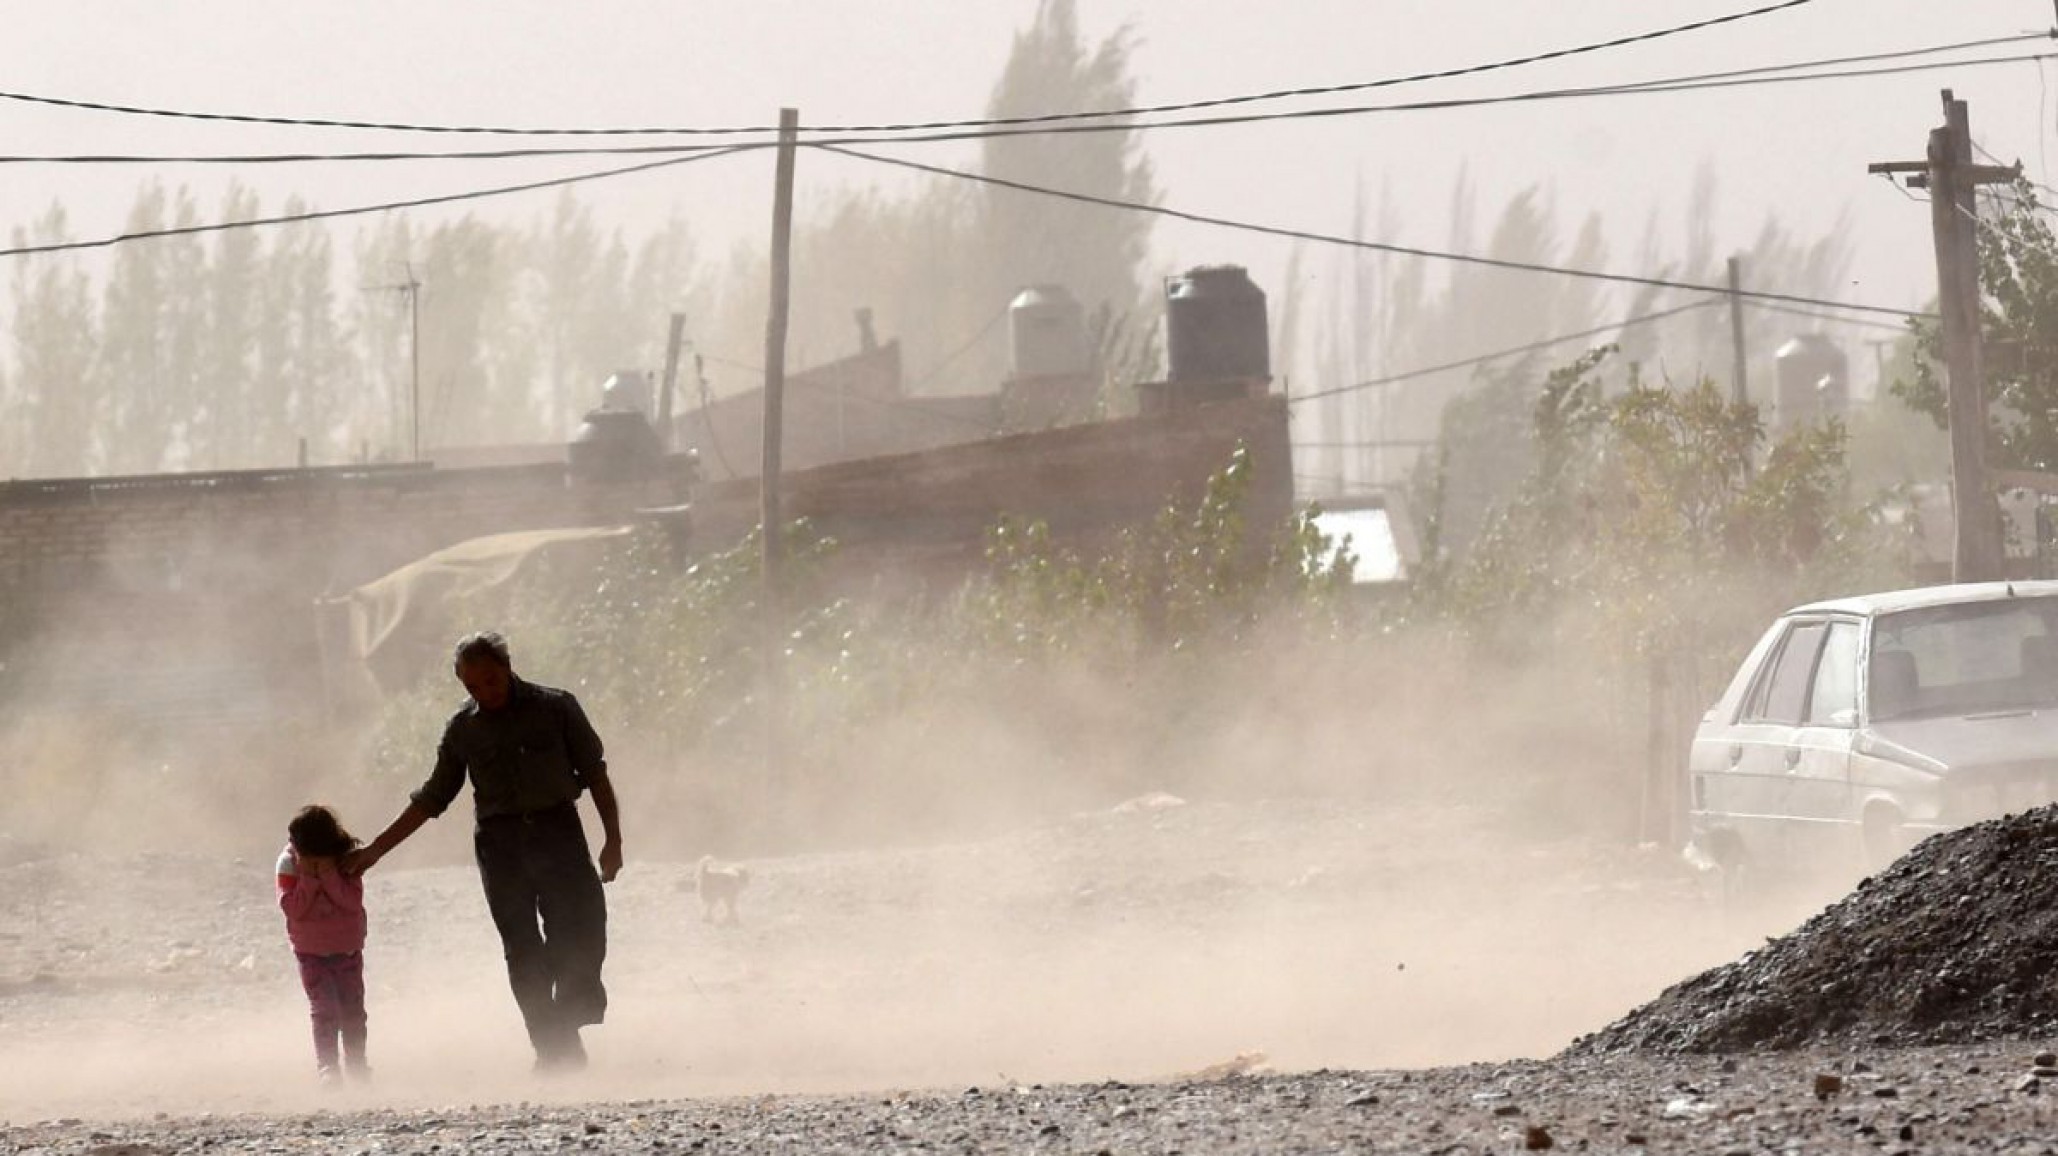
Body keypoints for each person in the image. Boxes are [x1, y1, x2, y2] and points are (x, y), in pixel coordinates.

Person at [347, 631, 623, 1072]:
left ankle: (568, 1022)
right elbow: (434, 797)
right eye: (473, 686)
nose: (486, 692)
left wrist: (613, 839)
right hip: (501, 847)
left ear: (508, 667)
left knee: (583, 932)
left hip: (559, 834)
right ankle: (552, 1051)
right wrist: (377, 849)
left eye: (492, 680)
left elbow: (594, 774)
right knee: (522, 949)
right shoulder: (464, 729)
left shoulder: (556, 708)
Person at [277, 805, 371, 1085]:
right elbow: (293, 909)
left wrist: (328, 874)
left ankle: (357, 1064)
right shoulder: (289, 863)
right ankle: (328, 1068)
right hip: (310, 953)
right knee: (325, 1010)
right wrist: (307, 877)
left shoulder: (346, 860)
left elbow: (351, 902)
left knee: (353, 1010)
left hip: (348, 949)